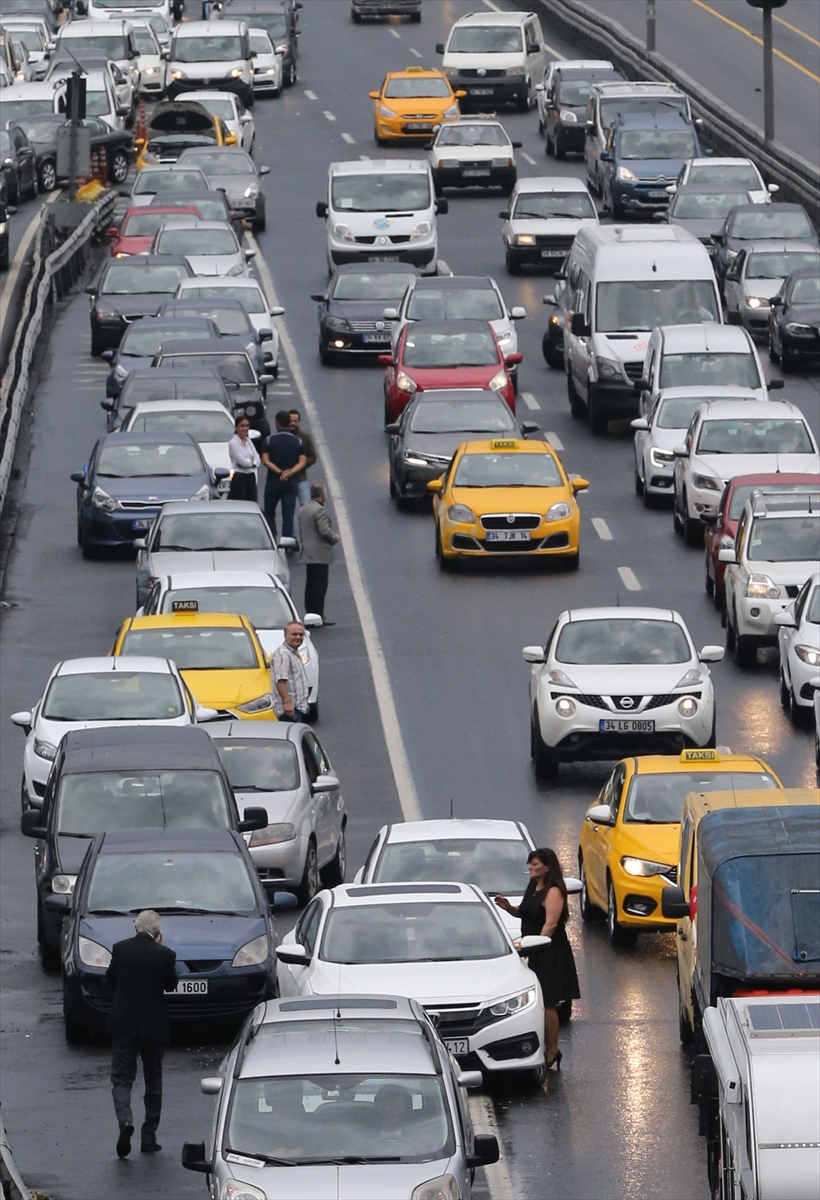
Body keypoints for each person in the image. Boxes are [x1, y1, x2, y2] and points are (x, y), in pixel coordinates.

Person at [494, 848, 579, 1073]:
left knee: (548, 1002)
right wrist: (509, 909)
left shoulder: (553, 891)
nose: (530, 867)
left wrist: (538, 946)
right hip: (534, 950)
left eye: (534, 863)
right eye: (530, 864)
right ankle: (543, 1046)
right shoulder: (534, 888)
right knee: (539, 1001)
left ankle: (552, 1050)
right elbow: (527, 912)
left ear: (547, 866)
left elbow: (550, 924)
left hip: (549, 951)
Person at [105, 910, 178, 1158]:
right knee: (153, 1078)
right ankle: (149, 1137)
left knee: (121, 1078)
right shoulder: (166, 955)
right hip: (154, 1025)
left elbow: (110, 979)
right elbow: (171, 984)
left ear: (135, 928)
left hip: (124, 1023)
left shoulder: (120, 949)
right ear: (158, 933)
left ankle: (126, 1121)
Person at [297, 482, 341, 626]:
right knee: (320, 585)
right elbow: (324, 531)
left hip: (308, 551)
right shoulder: (320, 511)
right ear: (322, 494)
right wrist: (335, 538)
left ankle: (310, 611)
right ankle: (319, 614)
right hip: (320, 553)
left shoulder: (304, 509)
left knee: (310, 583)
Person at [261, 410, 306, 541]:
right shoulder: (298, 442)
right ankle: (287, 542)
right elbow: (302, 462)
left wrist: (280, 471)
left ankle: (273, 538)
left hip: (273, 481)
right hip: (291, 482)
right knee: (288, 514)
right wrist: (290, 472)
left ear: (277, 423)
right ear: (288, 423)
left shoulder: (269, 441)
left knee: (269, 512)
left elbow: (265, 460)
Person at [271, 620, 310, 722]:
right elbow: (281, 681)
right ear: (285, 635)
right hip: (290, 710)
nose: (298, 637)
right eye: (294, 634)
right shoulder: (283, 654)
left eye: (301, 635)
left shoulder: (293, 652)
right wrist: (287, 703)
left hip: (297, 707)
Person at [227, 415, 261, 502]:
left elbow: (258, 458)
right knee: (242, 502)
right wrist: (252, 463)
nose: (245, 428)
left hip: (250, 476)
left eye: (247, 426)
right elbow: (241, 461)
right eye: (242, 426)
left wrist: (253, 463)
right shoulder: (233, 443)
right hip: (239, 477)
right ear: (236, 427)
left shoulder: (248, 441)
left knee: (253, 502)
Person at [289, 408, 317, 509]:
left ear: (299, 422)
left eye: (295, 421)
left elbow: (313, 457)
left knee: (306, 508)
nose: (292, 423)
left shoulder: (305, 437)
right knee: (288, 509)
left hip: (301, 479)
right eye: (290, 421)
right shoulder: (282, 436)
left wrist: (302, 464)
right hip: (286, 480)